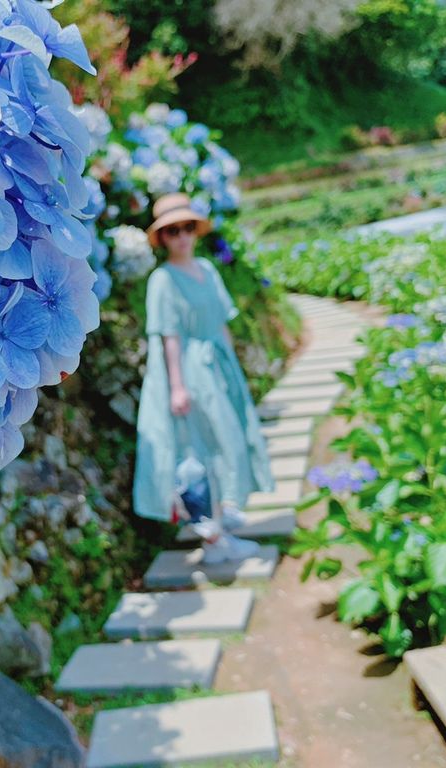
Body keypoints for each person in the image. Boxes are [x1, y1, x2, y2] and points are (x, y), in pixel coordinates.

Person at [133, 193, 275, 562]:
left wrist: (234, 370)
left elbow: (223, 324)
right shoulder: (163, 280)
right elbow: (169, 336)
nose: (181, 237)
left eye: (187, 228)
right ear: (162, 238)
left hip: (218, 367)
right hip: (191, 370)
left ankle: (223, 517)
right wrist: (178, 386)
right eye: (172, 231)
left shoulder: (208, 270)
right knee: (199, 446)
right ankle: (212, 538)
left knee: (228, 440)